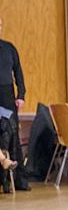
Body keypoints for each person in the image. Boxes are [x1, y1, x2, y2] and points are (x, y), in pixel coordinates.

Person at [0, 17, 30, 190]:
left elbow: (18, 72)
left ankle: (18, 180)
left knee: (11, 134)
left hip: (7, 94)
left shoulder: (9, 48)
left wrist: (21, 95)